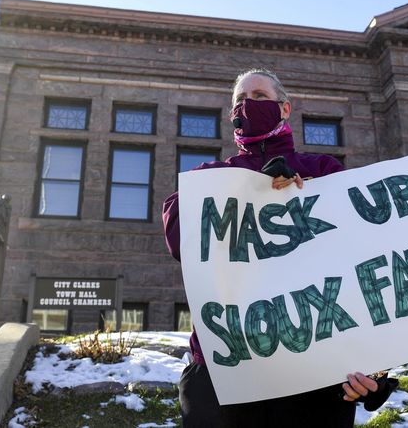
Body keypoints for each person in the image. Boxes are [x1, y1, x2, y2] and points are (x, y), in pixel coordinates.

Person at [162, 68, 395, 427]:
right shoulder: (209, 178)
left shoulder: (324, 171)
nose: (247, 105)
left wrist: (373, 370)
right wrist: (247, 191)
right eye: (239, 100)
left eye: (258, 97)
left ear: (285, 108)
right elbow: (179, 239)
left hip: (314, 370)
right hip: (228, 366)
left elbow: (364, 262)